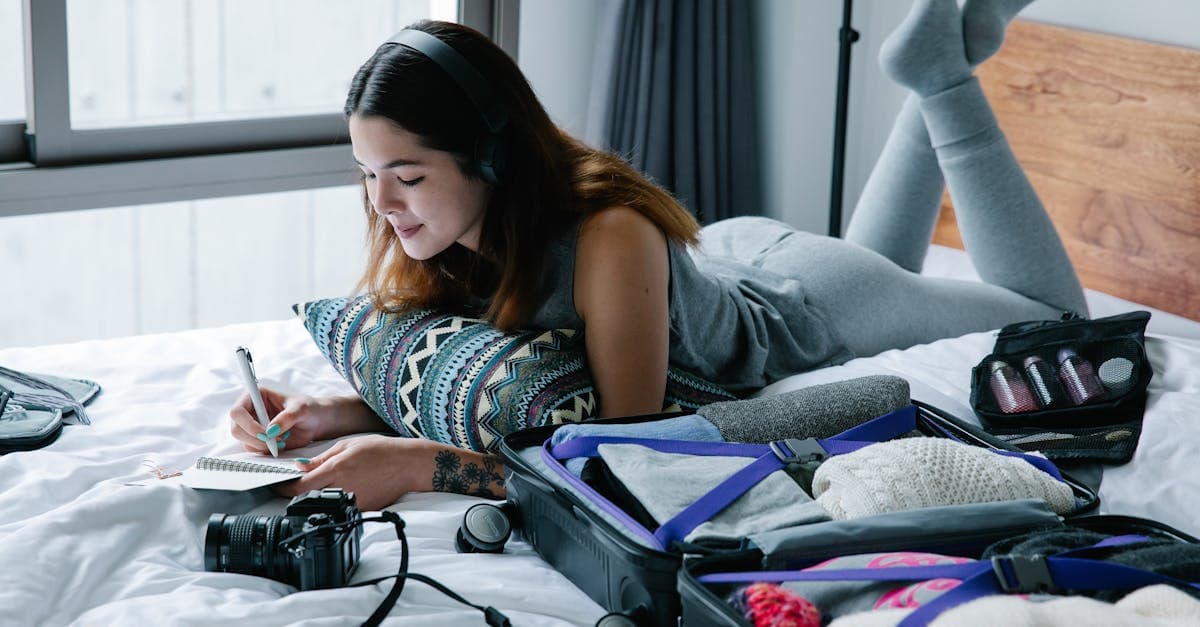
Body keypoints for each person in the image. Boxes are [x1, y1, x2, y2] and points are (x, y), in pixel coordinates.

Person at [228, 0, 1084, 510]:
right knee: (886, 263)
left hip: (813, 303)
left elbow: (621, 454)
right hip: (734, 258)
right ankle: (934, 61)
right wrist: (337, 411)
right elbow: (480, 382)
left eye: (407, 175)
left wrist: (427, 464)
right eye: (368, 174)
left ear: (489, 158)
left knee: (1059, 319)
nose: (381, 204)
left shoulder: (608, 234)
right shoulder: (453, 232)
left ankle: (941, 79)